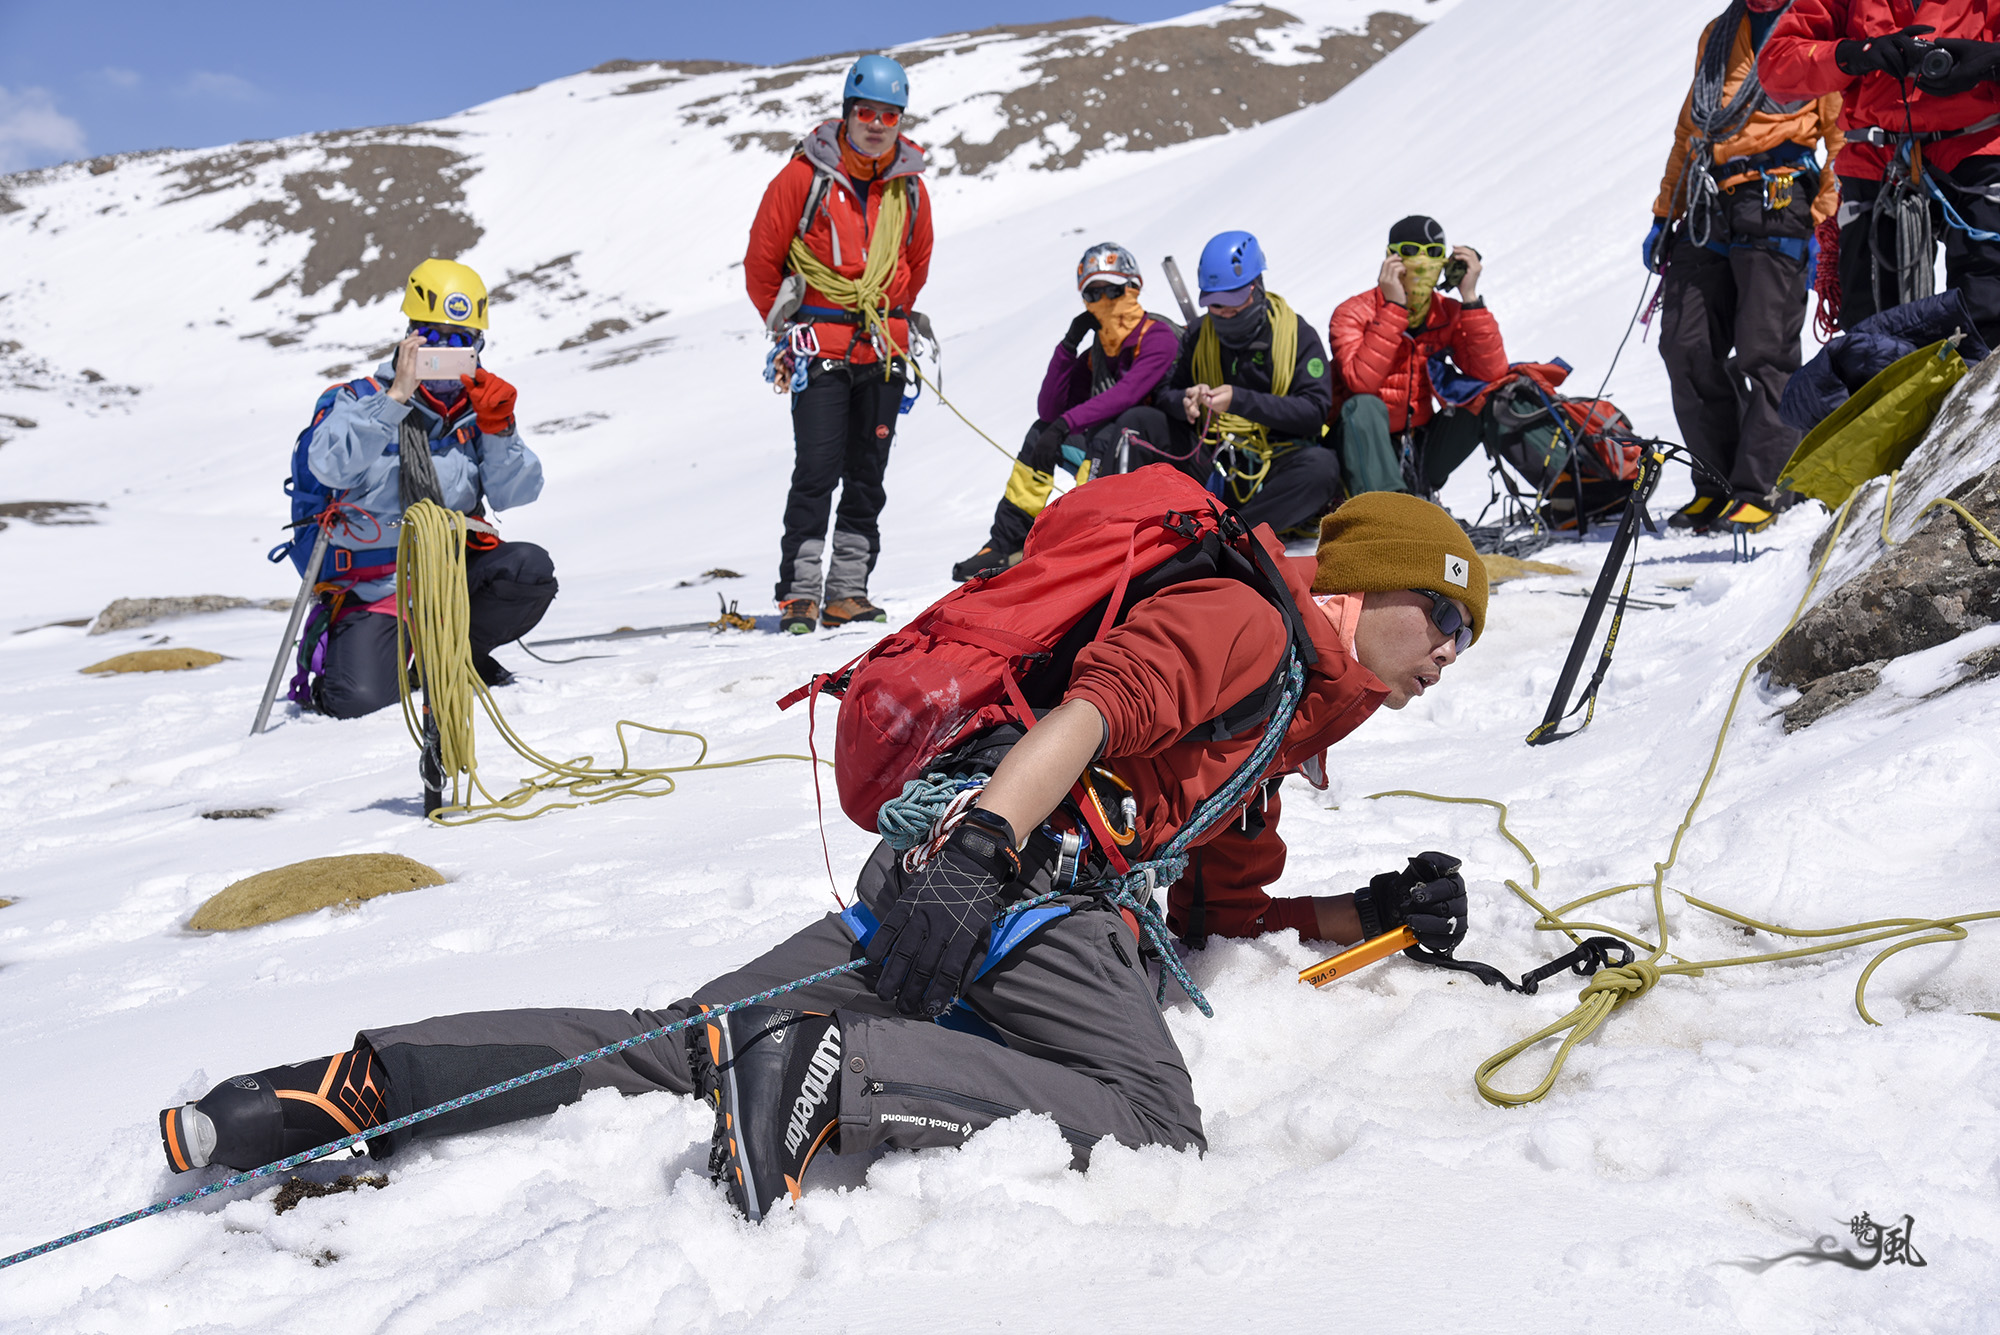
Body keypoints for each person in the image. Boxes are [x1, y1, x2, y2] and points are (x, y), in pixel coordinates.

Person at [157, 486, 1485, 1226]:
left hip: (942, 878)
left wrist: (1362, 910)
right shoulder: (1247, 628)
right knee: (1151, 1119)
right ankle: (837, 1075)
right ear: (1359, 588)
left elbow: (1220, 898)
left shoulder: (1295, 705)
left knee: (692, 1040)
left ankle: (355, 1085)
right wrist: (986, 846)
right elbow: (1091, 713)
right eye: (1442, 619)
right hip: (1021, 882)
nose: (1446, 656)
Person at [302, 259, 553, 719]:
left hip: (451, 572)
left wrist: (501, 430)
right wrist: (396, 397)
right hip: (377, 584)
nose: (446, 352)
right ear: (409, 337)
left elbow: (517, 493)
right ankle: (365, 659)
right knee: (357, 702)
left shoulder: (476, 412)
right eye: (434, 339)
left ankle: (453, 657)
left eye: (460, 341)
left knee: (529, 570)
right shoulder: (361, 399)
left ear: (478, 345)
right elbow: (329, 467)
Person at [745, 54, 933, 634]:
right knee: (818, 468)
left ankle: (848, 590)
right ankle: (799, 593)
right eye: (867, 112)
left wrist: (884, 313)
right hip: (819, 346)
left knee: (867, 473)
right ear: (848, 113)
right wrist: (792, 324)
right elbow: (763, 261)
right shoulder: (802, 178)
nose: (877, 124)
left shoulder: (910, 191)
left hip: (883, 350)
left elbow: (915, 265)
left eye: (889, 115)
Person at [1649, 0, 1844, 535]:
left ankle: (1763, 485)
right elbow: (1693, 127)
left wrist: (1824, 219)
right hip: (1711, 199)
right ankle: (1716, 480)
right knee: (1684, 343)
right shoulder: (1718, 33)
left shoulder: (1817, 23)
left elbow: (1842, 130)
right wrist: (1667, 212)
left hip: (1780, 194)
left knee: (1766, 349)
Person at [1762, 4, 2000, 350]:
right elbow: (1777, 66)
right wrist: (1854, 54)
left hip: (1976, 150)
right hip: (1877, 160)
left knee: (1989, 311)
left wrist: (1992, 59)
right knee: (1872, 337)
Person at [951, 242, 1183, 582]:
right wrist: (1069, 344)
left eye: (1114, 289)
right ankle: (1004, 542)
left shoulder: (1158, 336)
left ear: (1134, 287)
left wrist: (1065, 424)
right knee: (1040, 433)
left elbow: (1127, 394)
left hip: (1166, 456)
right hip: (1115, 456)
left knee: (1106, 431)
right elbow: (1050, 408)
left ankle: (1086, 534)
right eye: (1093, 292)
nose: (1104, 300)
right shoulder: (1098, 353)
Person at [1155, 231, 1339, 536]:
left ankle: (1233, 534)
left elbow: (1313, 411)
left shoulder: (1297, 335)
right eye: (1216, 305)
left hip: (1277, 458)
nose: (1226, 313)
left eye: (1234, 302)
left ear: (1258, 288)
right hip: (1214, 454)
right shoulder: (1199, 334)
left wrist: (1240, 400)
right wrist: (1184, 401)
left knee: (1321, 468)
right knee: (1143, 422)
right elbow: (1165, 393)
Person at [1328, 216, 1508, 503]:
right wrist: (1394, 308)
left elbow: (1492, 374)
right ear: (1391, 258)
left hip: (1419, 443)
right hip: (1362, 446)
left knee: (1493, 397)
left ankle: (1568, 492)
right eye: (1410, 251)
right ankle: (1391, 517)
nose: (1422, 263)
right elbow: (1360, 383)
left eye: (1434, 253)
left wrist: (1470, 298)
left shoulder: (1447, 312)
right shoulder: (1352, 312)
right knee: (1363, 406)